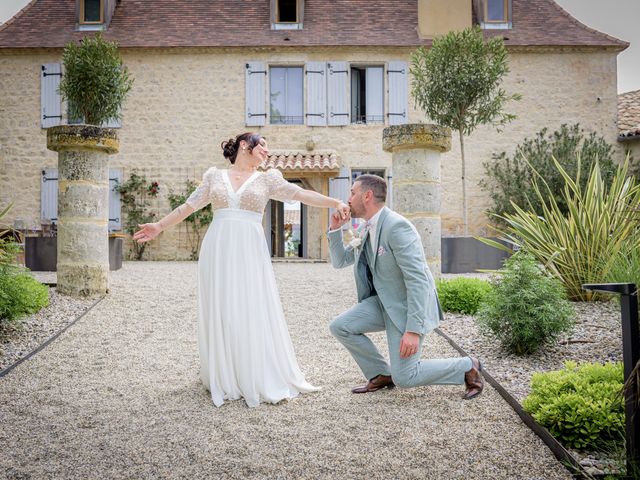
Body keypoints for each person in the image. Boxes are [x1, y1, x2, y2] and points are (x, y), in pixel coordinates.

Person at [134, 132, 350, 408]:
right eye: (263, 146)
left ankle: (254, 370)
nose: (267, 152)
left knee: (250, 305)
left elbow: (301, 194)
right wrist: (159, 226)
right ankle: (226, 374)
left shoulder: (268, 178)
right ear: (245, 146)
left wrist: (335, 202)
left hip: (249, 248)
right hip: (218, 246)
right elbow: (188, 207)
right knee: (222, 306)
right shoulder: (214, 177)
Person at [327, 174, 484, 399]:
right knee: (340, 326)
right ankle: (380, 373)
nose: (348, 198)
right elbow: (340, 261)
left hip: (405, 307)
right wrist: (334, 230)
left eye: (352, 192)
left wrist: (413, 330)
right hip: (383, 302)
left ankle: (468, 366)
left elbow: (418, 279)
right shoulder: (366, 228)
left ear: (367, 195)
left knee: (406, 377)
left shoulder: (396, 227)